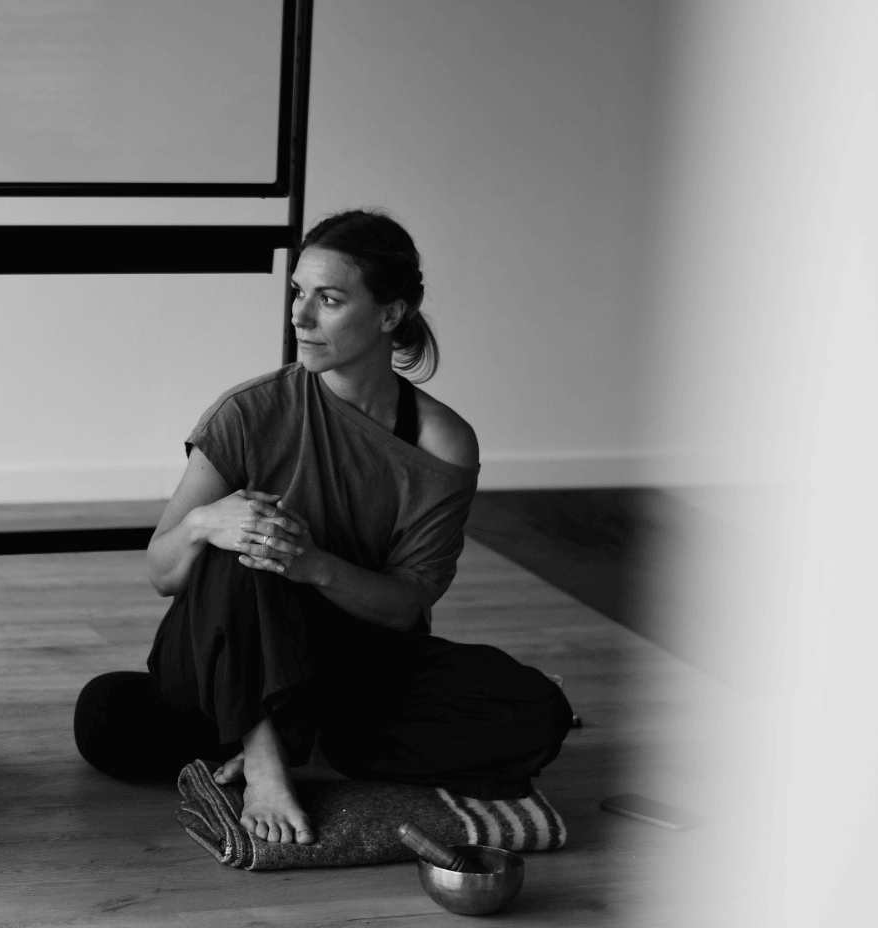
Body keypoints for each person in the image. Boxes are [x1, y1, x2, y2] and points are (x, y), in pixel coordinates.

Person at [75, 209, 572, 845]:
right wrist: (205, 521)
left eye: (329, 300)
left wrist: (316, 564)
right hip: (232, 649)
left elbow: (406, 608)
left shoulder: (442, 440)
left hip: (351, 667)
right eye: (298, 294)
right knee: (241, 549)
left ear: (390, 314)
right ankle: (263, 756)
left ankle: (301, 739)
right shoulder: (249, 413)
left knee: (536, 712)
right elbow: (162, 574)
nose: (301, 317)